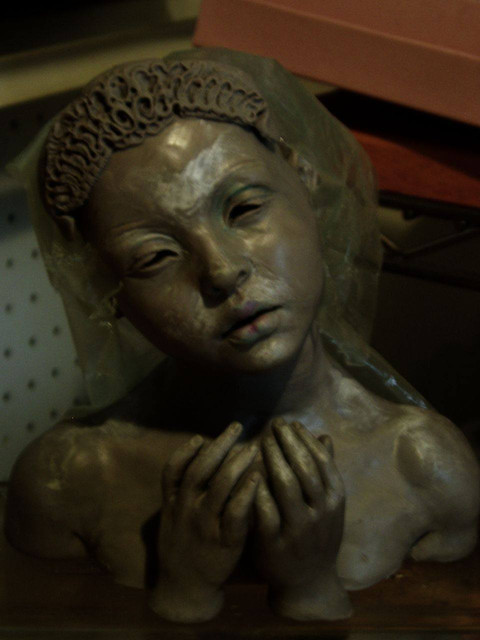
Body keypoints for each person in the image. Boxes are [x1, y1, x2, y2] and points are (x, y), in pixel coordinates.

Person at [5, 48, 479, 623]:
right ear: (107, 287)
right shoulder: (66, 482)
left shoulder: (426, 468)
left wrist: (312, 591)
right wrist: (183, 592)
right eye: (155, 257)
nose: (223, 271)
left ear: (305, 182)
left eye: (245, 209)